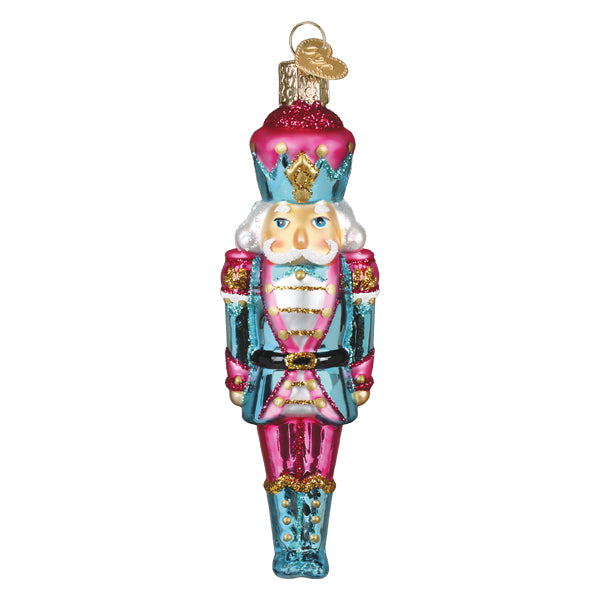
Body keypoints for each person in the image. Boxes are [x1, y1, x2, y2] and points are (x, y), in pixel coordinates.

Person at [221, 98, 378, 578]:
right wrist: (238, 373)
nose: (303, 238)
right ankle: (288, 545)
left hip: (328, 379)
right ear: (264, 222)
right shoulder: (245, 267)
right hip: (270, 379)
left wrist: (361, 373)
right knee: (277, 465)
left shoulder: (355, 267)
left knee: (322, 466)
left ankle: (315, 545)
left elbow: (363, 321)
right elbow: (238, 323)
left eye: (318, 222)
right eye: (285, 222)